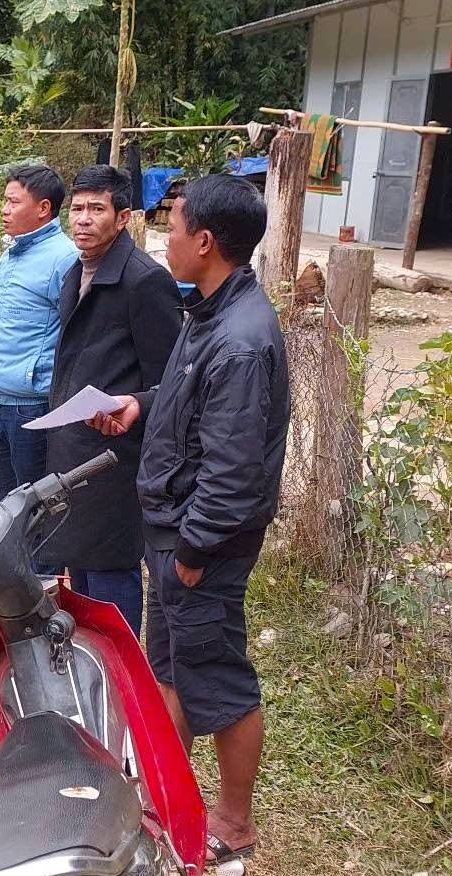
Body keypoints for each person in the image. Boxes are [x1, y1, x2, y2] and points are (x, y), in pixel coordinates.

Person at [90, 175, 289, 866]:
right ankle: (172, 798)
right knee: (170, 669)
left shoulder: (238, 338)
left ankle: (233, 825)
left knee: (221, 683)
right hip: (173, 534)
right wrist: (143, 404)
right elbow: (189, 404)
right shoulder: (207, 313)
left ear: (204, 242)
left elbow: (233, 472)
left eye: (172, 226)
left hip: (198, 543)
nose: (164, 238)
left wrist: (195, 551)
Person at [42, 165, 183, 636]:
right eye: (77, 209)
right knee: (78, 574)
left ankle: (118, 681)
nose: (82, 219)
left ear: (123, 218)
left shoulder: (144, 282)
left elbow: (172, 383)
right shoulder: (72, 274)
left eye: (96, 209)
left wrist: (133, 404)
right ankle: (90, 675)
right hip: (71, 451)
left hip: (114, 458)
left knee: (109, 577)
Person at [0, 163, 77, 509]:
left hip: (32, 406)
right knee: (5, 508)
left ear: (43, 208)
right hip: (1, 401)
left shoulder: (64, 259)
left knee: (33, 510)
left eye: (13, 202)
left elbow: (73, 333)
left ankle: (40, 565)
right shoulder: (12, 254)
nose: (4, 210)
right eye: (4, 201)